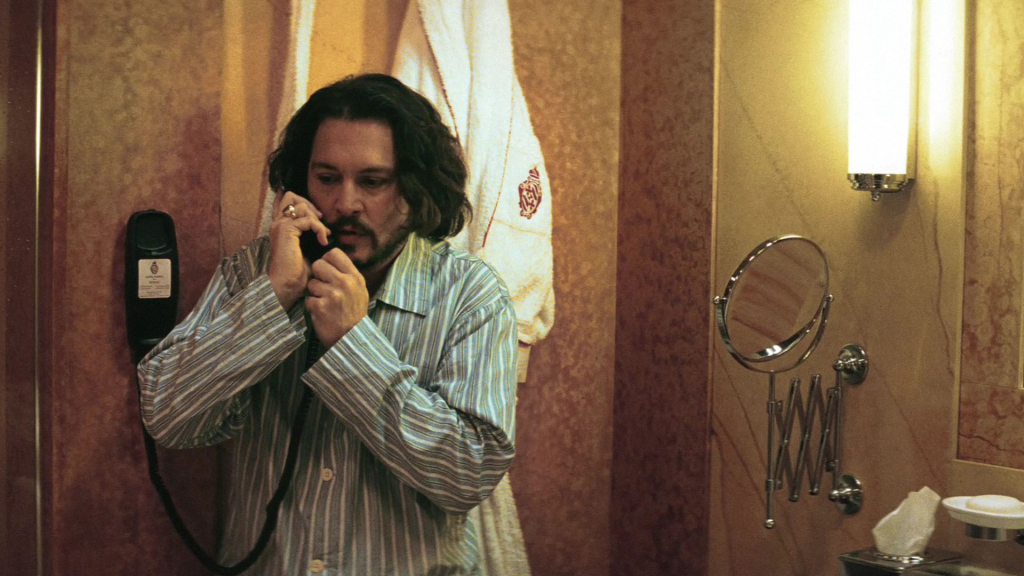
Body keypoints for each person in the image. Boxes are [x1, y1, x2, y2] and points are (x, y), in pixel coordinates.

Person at [138, 73, 519, 576]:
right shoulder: (253, 272)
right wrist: (272, 299)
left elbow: (469, 476)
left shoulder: (471, 296)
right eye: (326, 177)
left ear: (415, 187)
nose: (345, 204)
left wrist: (353, 345)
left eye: (373, 182)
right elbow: (167, 417)